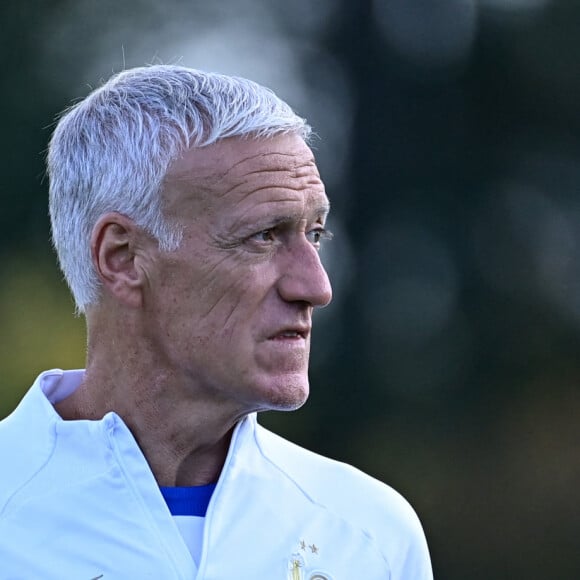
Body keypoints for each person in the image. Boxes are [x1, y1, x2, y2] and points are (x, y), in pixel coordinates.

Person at [0, 64, 432, 579]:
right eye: (264, 236)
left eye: (314, 234)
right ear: (122, 257)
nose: (316, 287)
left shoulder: (369, 535)